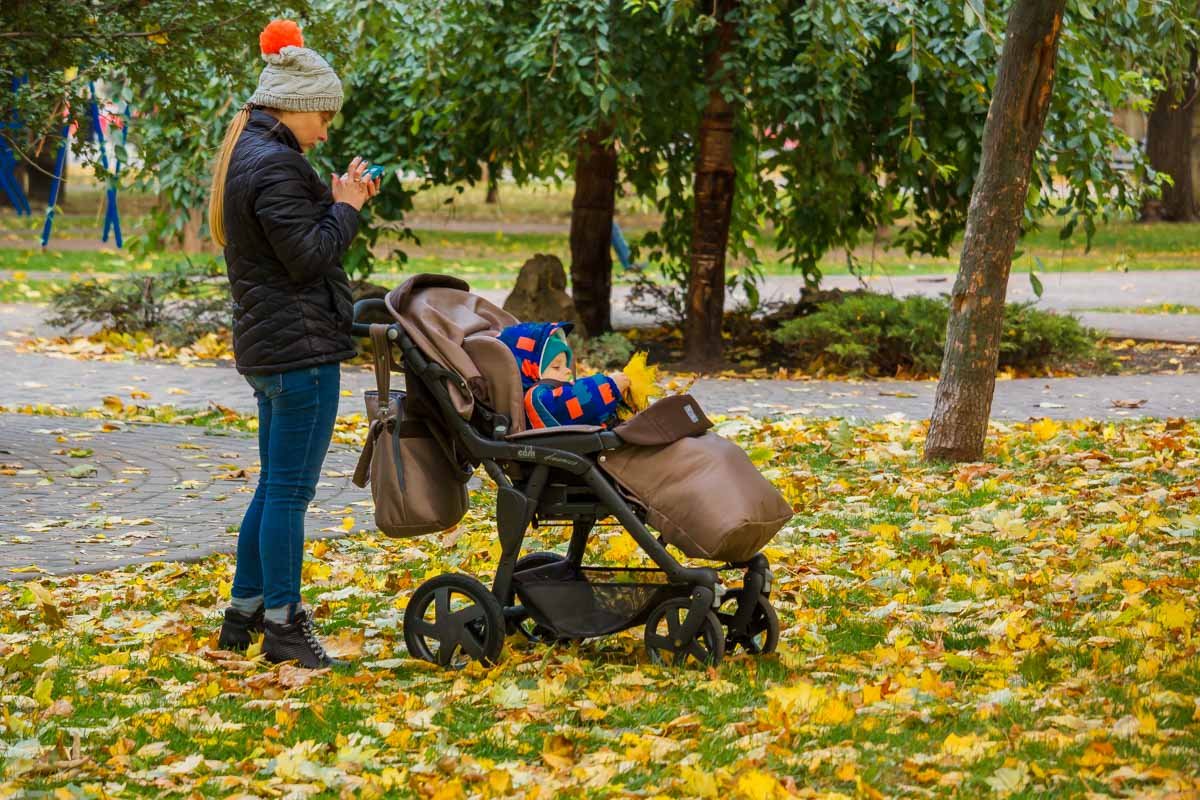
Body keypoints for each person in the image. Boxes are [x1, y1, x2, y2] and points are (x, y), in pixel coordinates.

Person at [207, 19, 379, 668]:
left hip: (271, 348)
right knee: (288, 494)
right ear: (298, 106)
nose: (327, 131)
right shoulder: (276, 165)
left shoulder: (251, 153)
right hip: (299, 353)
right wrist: (348, 207)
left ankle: (243, 613)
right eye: (324, 117)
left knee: (271, 486)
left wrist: (338, 200)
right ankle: (284, 623)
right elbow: (308, 258)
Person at [498, 322, 631, 429]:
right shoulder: (537, 398)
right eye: (556, 367)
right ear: (530, 372)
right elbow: (574, 402)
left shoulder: (554, 391)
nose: (568, 371)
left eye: (565, 365)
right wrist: (611, 386)